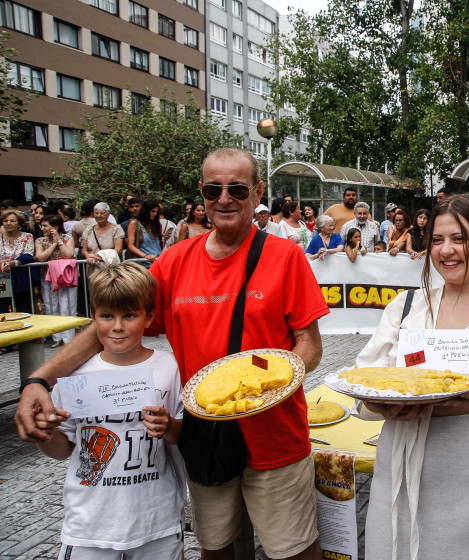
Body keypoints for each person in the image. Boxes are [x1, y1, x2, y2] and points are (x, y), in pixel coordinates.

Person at [16, 147, 328, 560]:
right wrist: (41, 379)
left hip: (274, 437)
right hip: (202, 437)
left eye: (237, 188)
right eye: (214, 188)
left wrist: (268, 388)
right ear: (201, 192)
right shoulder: (174, 262)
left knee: (293, 551)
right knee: (216, 549)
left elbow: (309, 346)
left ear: (256, 193)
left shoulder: (285, 256)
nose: (224, 198)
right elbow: (109, 325)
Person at [354, 192, 469, 560]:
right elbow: (365, 379)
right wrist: (381, 402)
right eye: (438, 240)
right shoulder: (406, 307)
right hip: (400, 467)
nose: (447, 250)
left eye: (460, 238)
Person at [35, 262, 185, 560]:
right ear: (93, 317)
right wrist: (45, 431)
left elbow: (183, 434)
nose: (117, 326)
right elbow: (62, 450)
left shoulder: (169, 367)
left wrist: (167, 426)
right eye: (107, 316)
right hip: (91, 523)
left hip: (156, 519)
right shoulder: (75, 374)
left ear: (149, 316)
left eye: (129, 315)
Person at [35, 214, 77, 347]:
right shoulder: (40, 241)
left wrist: (58, 240)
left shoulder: (67, 238)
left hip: (66, 276)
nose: (42, 228)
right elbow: (41, 257)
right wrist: (53, 245)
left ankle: (68, 338)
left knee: (67, 305)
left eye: (45, 226)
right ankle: (56, 337)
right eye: (42, 226)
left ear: (56, 227)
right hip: (47, 276)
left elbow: (68, 255)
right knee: (51, 305)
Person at [0, 208, 35, 315]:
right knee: (3, 309)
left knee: (24, 308)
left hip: (21, 278)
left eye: (12, 221)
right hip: (2, 280)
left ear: (19, 223)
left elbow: (28, 255)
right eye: (5, 221)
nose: (8, 223)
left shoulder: (27, 237)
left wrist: (13, 263)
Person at [80, 202, 126, 270]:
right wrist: (89, 256)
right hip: (93, 266)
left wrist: (99, 257)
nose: (99, 216)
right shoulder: (88, 230)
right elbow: (84, 250)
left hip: (110, 266)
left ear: (108, 215)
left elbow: (118, 249)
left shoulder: (116, 229)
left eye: (102, 213)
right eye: (96, 213)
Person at [126, 199, 170, 267]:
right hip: (143, 263)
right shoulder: (134, 224)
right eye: (152, 211)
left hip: (158, 262)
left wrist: (163, 238)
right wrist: (145, 256)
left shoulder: (157, 225)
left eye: (156, 212)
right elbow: (130, 245)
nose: (155, 214)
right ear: (146, 211)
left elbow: (158, 246)